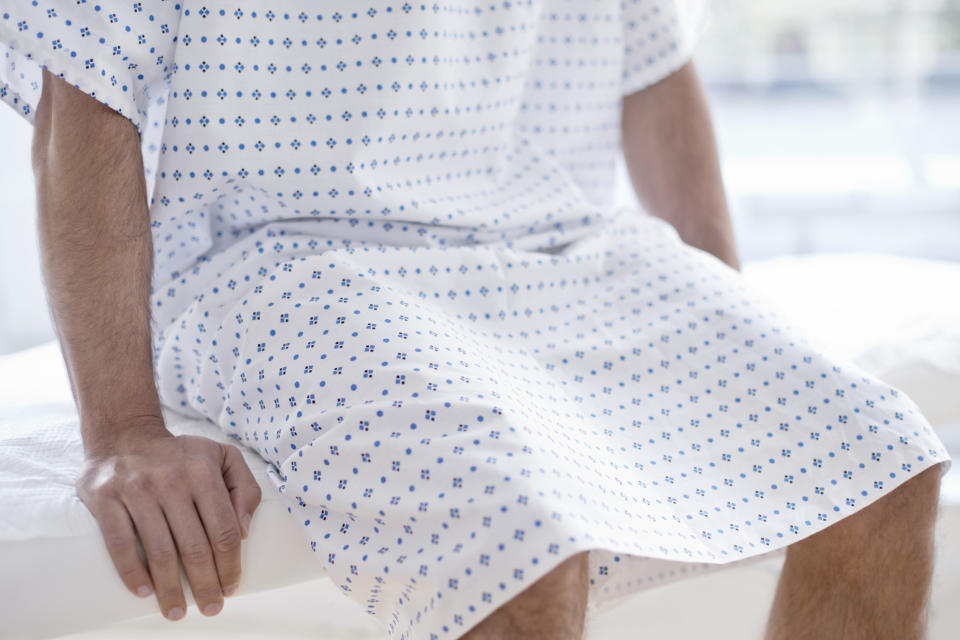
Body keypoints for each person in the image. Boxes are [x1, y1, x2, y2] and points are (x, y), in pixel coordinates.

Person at [0, 1, 950, 638]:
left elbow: (652, 60)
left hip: (548, 239)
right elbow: (82, 96)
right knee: (520, 542)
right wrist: (124, 427)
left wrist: (726, 326)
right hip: (283, 258)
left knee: (883, 461)